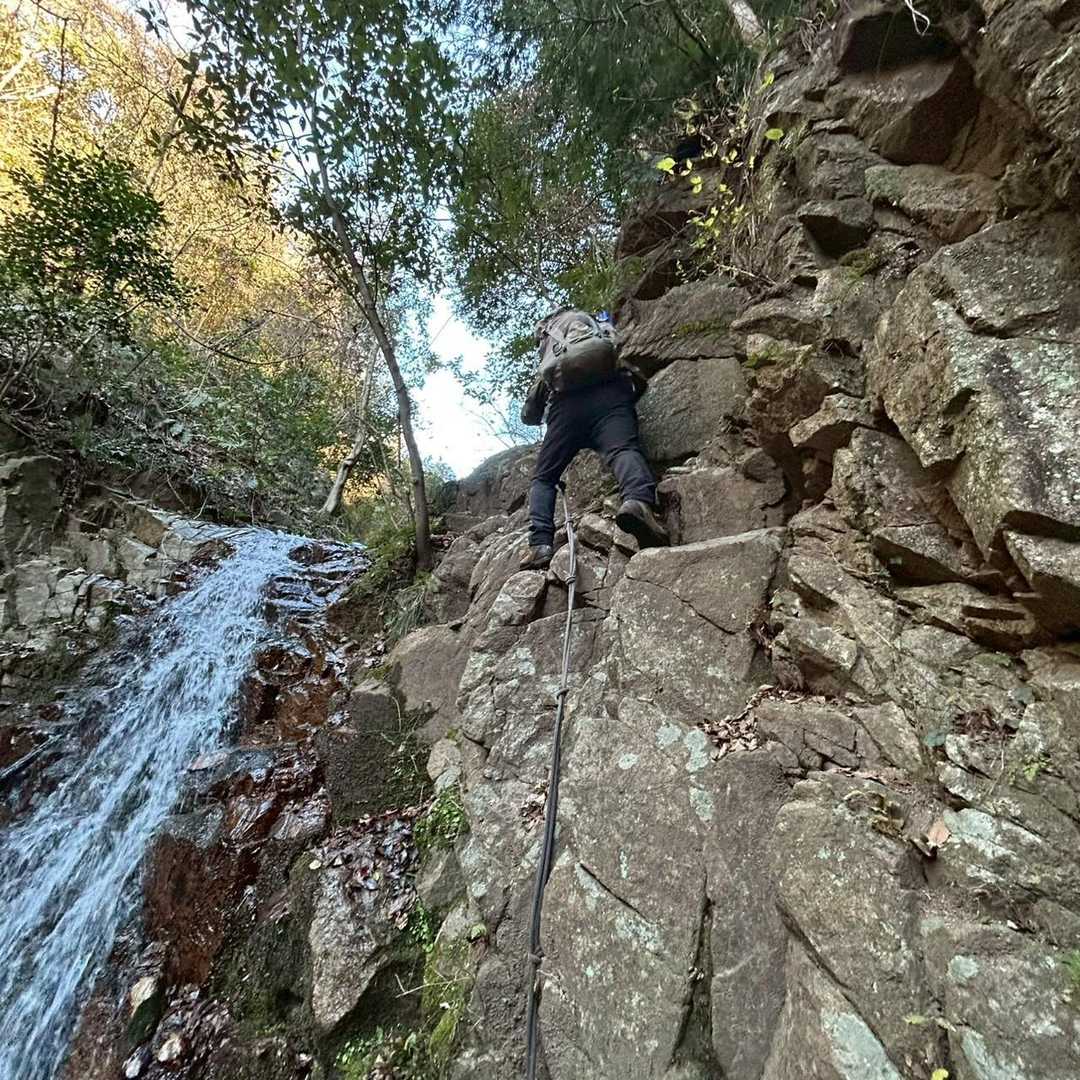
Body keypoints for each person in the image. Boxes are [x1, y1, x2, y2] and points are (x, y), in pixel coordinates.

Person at [518, 307, 669, 570]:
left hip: (566, 410)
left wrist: (533, 413)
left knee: (544, 478)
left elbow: (531, 412)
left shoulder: (552, 346)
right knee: (622, 450)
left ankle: (540, 544)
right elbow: (622, 356)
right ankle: (637, 501)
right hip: (610, 395)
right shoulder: (597, 326)